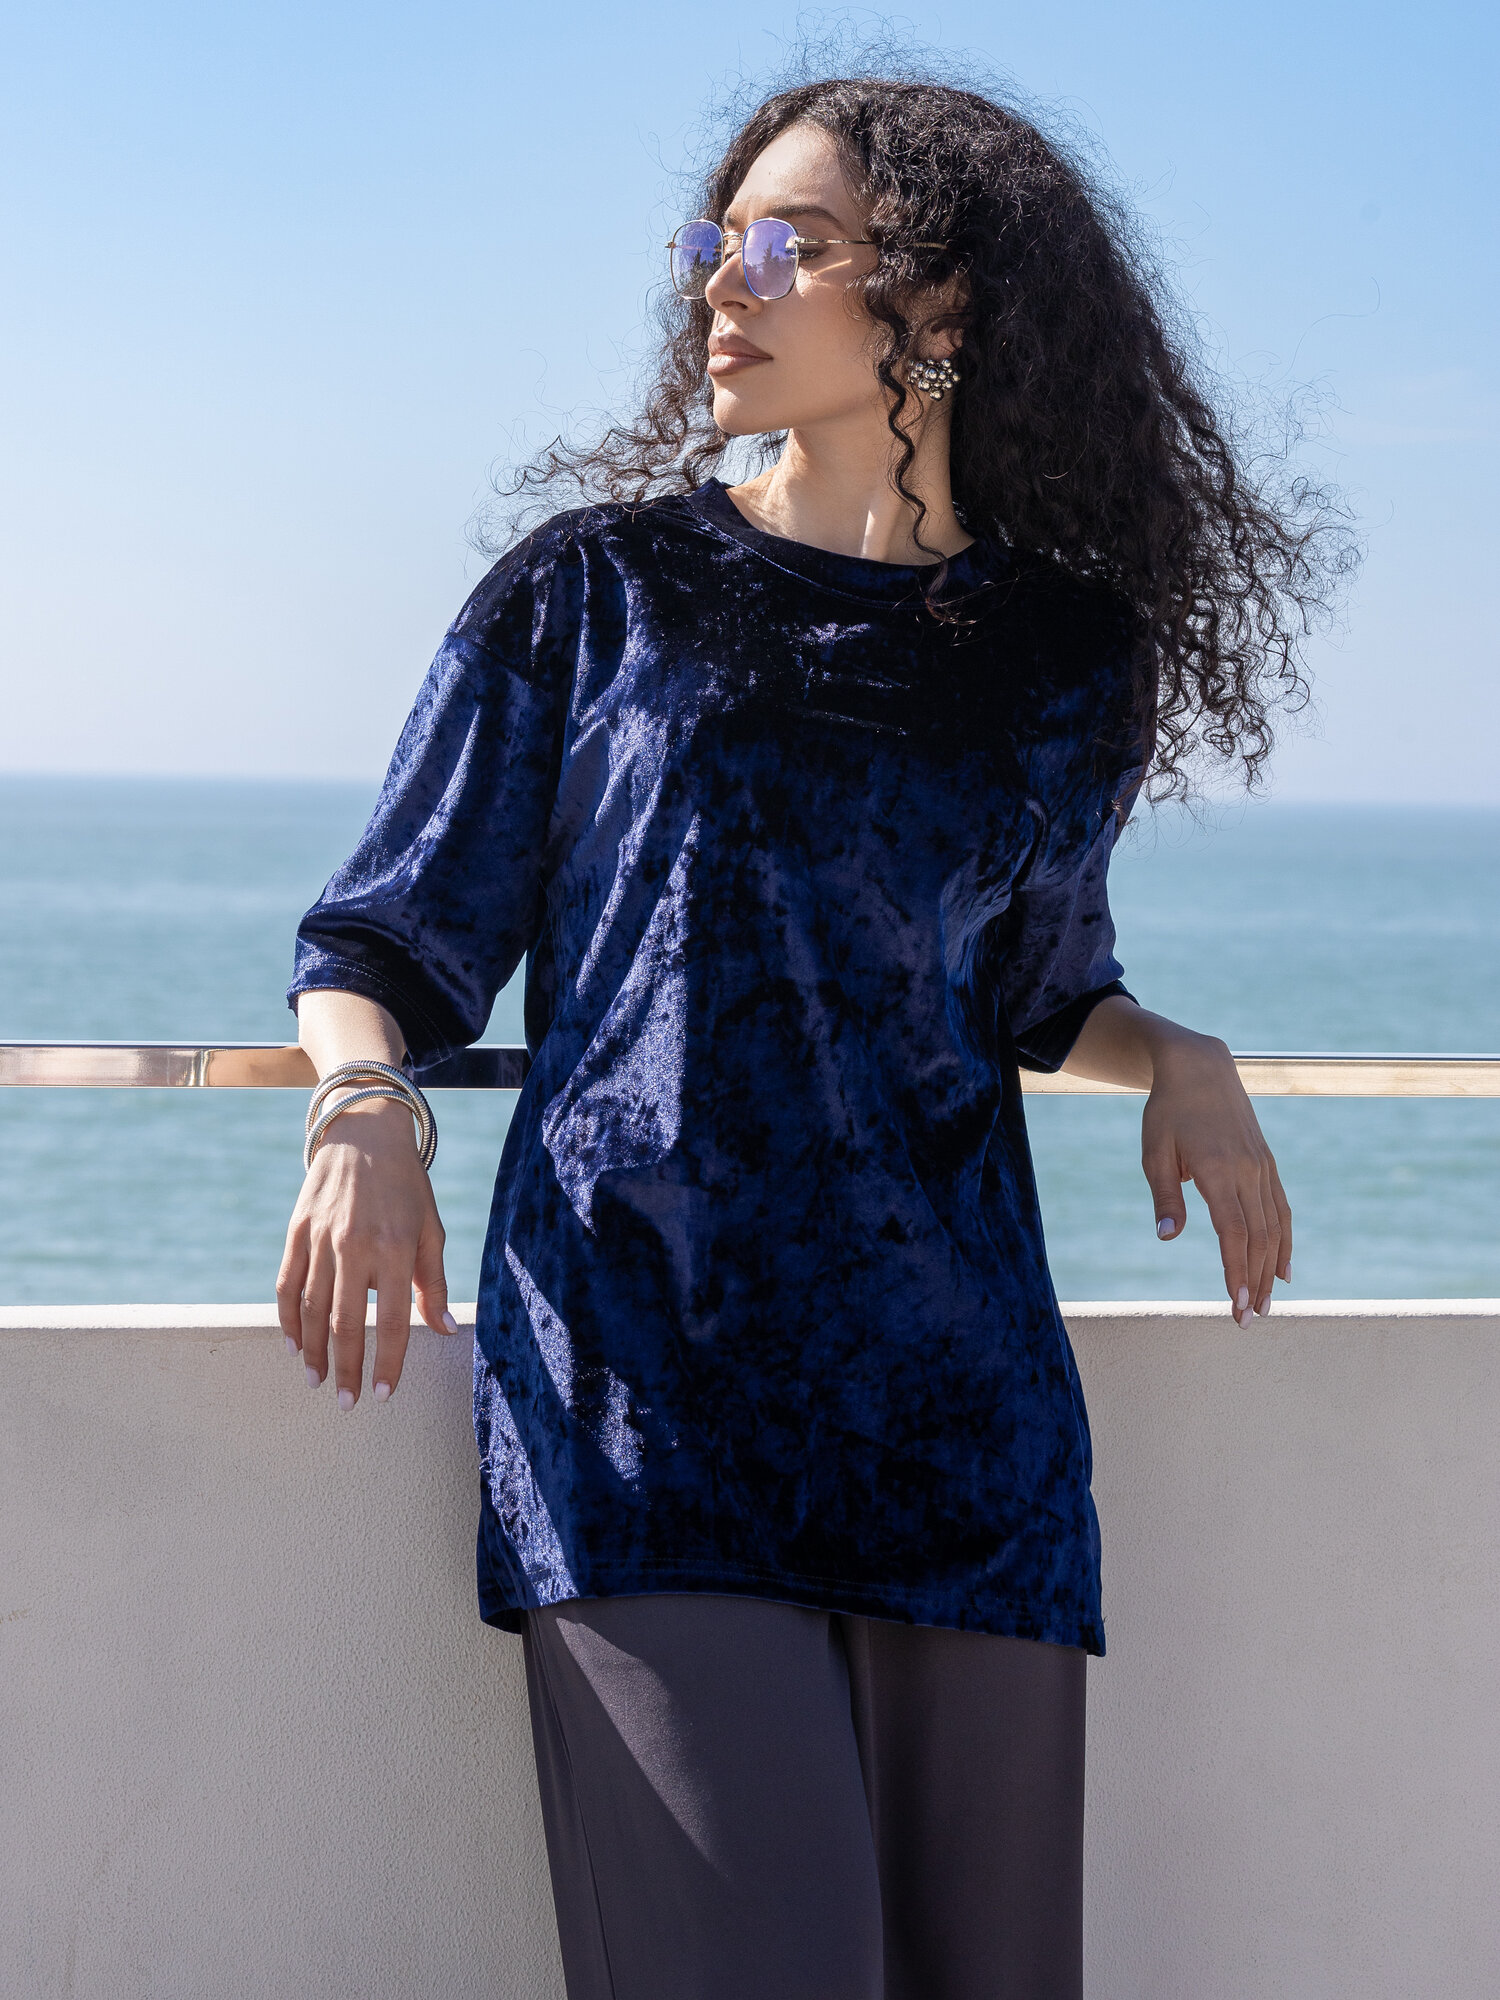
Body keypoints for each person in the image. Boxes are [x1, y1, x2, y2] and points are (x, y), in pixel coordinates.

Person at [279, 72, 1341, 2000]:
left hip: (966, 1429)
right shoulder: (597, 595)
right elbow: (386, 937)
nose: (722, 284)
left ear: (941, 304)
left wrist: (1176, 1051)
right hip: (642, 1399)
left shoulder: (1064, 659)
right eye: (717, 242)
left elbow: (1037, 990)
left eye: (791, 246)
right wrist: (360, 1102)